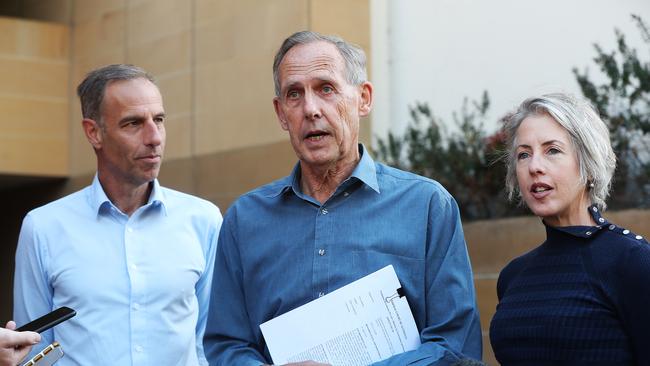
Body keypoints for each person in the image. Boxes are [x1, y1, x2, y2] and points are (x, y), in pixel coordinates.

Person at [203, 31, 481, 365]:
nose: (310, 109)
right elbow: (226, 345)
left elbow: (455, 343)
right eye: (294, 94)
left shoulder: (427, 207)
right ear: (280, 113)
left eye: (326, 88)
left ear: (363, 98)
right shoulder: (245, 219)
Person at [13, 64, 222, 365]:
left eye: (159, 120)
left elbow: (209, 342)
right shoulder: (43, 227)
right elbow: (34, 350)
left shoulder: (204, 220)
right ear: (94, 132)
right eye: (133, 123)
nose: (154, 137)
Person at [489, 93, 650, 365]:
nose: (534, 167)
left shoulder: (632, 262)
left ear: (588, 163)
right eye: (523, 155)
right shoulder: (512, 277)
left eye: (552, 150)